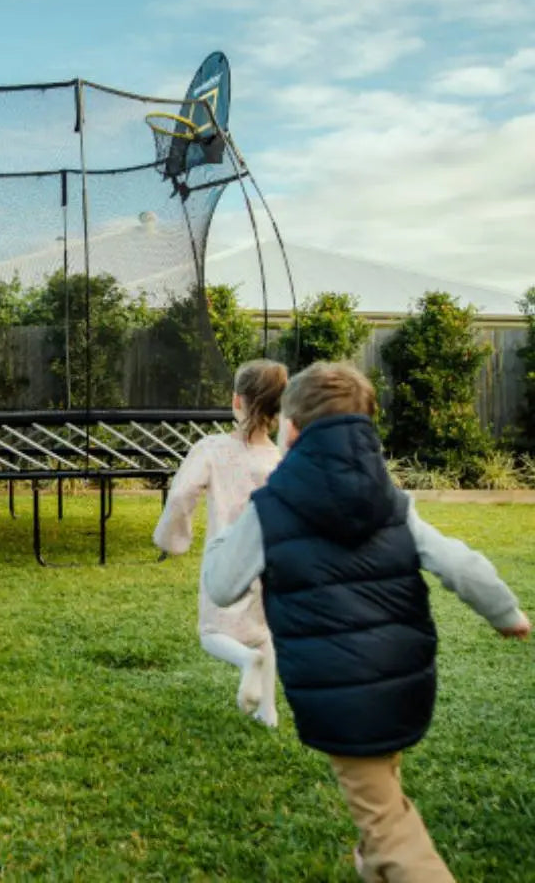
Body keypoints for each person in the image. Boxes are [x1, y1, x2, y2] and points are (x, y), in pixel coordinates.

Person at [203, 361, 531, 881]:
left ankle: (391, 860)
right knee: (381, 787)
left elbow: (222, 585)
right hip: (403, 679)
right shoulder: (394, 502)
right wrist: (506, 613)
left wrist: (224, 532)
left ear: (290, 429)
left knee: (384, 822)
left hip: (339, 692)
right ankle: (373, 865)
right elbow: (460, 562)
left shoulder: (271, 510)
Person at [153, 358, 288, 727]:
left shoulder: (211, 449)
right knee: (264, 634)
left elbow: (181, 495)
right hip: (270, 561)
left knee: (211, 632)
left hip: (226, 559)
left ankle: (246, 662)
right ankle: (269, 712)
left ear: (235, 401)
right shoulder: (280, 459)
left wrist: (172, 538)